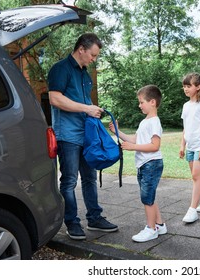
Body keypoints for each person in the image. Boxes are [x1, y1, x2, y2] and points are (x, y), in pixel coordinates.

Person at [48, 33, 118, 240]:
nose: (94, 59)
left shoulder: (85, 74)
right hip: (67, 135)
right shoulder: (60, 69)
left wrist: (93, 111)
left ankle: (94, 218)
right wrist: (87, 109)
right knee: (69, 180)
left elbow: (83, 102)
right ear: (81, 49)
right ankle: (72, 222)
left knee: (89, 177)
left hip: (85, 133)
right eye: (93, 55)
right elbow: (55, 99)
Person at [109, 85, 167, 242]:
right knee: (150, 196)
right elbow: (135, 140)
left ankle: (151, 229)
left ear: (152, 102)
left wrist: (133, 148)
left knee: (147, 198)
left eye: (142, 102)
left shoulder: (154, 122)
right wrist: (117, 132)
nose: (139, 105)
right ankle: (159, 225)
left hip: (151, 164)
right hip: (144, 164)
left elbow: (155, 146)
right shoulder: (145, 122)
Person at [179, 72, 200, 223]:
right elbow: (185, 128)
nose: (185, 89)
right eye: (184, 86)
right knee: (196, 176)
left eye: (188, 86)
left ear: (198, 87)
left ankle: (192, 210)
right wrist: (182, 145)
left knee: (195, 175)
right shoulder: (186, 106)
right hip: (190, 146)